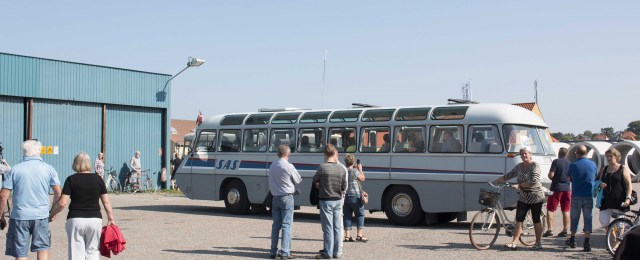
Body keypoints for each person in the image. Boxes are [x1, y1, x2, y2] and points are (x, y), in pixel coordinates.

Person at [0, 140, 62, 259]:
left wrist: (1, 215)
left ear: (24, 152)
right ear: (39, 151)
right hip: (41, 215)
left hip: (20, 216)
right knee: (43, 248)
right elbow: (58, 193)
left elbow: (3, 195)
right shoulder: (49, 169)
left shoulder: (15, 170)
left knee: (21, 252)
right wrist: (53, 211)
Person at [49, 152, 116, 260]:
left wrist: (51, 214)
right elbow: (106, 202)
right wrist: (110, 218)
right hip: (95, 220)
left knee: (76, 253)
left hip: (76, 219)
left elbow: (62, 203)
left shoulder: (71, 179)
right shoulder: (98, 179)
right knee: (93, 251)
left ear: (75, 164)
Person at [492, 147, 544, 250]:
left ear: (530, 154)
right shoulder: (519, 166)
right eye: (522, 154)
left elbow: (534, 181)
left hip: (535, 196)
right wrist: (496, 181)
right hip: (523, 197)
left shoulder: (535, 166)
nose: (524, 156)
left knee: (536, 219)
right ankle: (514, 242)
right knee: (519, 219)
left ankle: (538, 243)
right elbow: (509, 175)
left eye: (526, 154)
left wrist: (519, 186)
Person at [268, 145, 302, 259]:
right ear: (288, 154)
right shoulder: (289, 166)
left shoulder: (272, 165)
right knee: (287, 225)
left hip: (275, 197)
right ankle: (285, 252)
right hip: (287, 197)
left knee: (275, 225)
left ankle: (273, 252)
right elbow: (298, 179)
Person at [313, 144, 347, 259]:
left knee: (328, 227)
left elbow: (315, 180)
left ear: (325, 154)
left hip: (325, 200)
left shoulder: (322, 167)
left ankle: (327, 252)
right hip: (338, 200)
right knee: (337, 227)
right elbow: (344, 186)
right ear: (334, 154)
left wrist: (319, 185)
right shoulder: (341, 168)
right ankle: (337, 252)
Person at [566, 145, 597, 252]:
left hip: (576, 195)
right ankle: (587, 243)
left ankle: (573, 239)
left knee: (575, 218)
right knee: (588, 219)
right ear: (586, 153)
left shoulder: (572, 165)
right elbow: (594, 176)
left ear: (576, 153)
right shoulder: (593, 164)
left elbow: (570, 178)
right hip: (588, 195)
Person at [598, 148, 633, 228]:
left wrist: (628, 198)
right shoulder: (605, 168)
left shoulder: (623, 168)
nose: (609, 158)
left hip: (619, 199)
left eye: (611, 156)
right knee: (603, 220)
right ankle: (612, 236)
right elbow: (599, 182)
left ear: (616, 157)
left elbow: (629, 185)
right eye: (607, 156)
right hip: (606, 200)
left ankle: (618, 240)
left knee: (620, 224)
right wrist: (600, 185)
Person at [543, 147, 571, 237]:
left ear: (559, 153)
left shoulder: (556, 162)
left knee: (550, 209)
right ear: (566, 154)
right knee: (566, 210)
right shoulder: (570, 163)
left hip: (556, 188)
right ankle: (565, 230)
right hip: (567, 188)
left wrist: (552, 177)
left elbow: (551, 175)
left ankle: (550, 229)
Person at [342, 154, 367, 242]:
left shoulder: (343, 170)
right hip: (355, 196)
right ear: (353, 162)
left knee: (347, 215)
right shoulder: (355, 171)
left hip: (345, 196)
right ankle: (359, 235)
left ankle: (347, 236)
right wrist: (360, 170)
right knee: (360, 214)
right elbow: (362, 178)